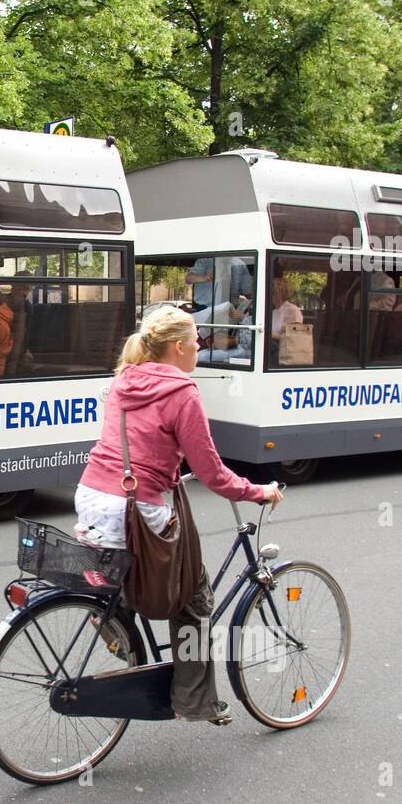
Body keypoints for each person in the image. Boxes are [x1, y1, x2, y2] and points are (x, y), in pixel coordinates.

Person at [74, 306, 283, 725]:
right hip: (136, 507)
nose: (201, 346)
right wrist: (257, 490)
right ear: (178, 346)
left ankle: (110, 615)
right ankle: (194, 701)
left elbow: (134, 441)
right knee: (192, 597)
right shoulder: (182, 391)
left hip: (91, 494)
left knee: (127, 568)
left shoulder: (124, 380)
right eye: (196, 339)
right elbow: (212, 473)